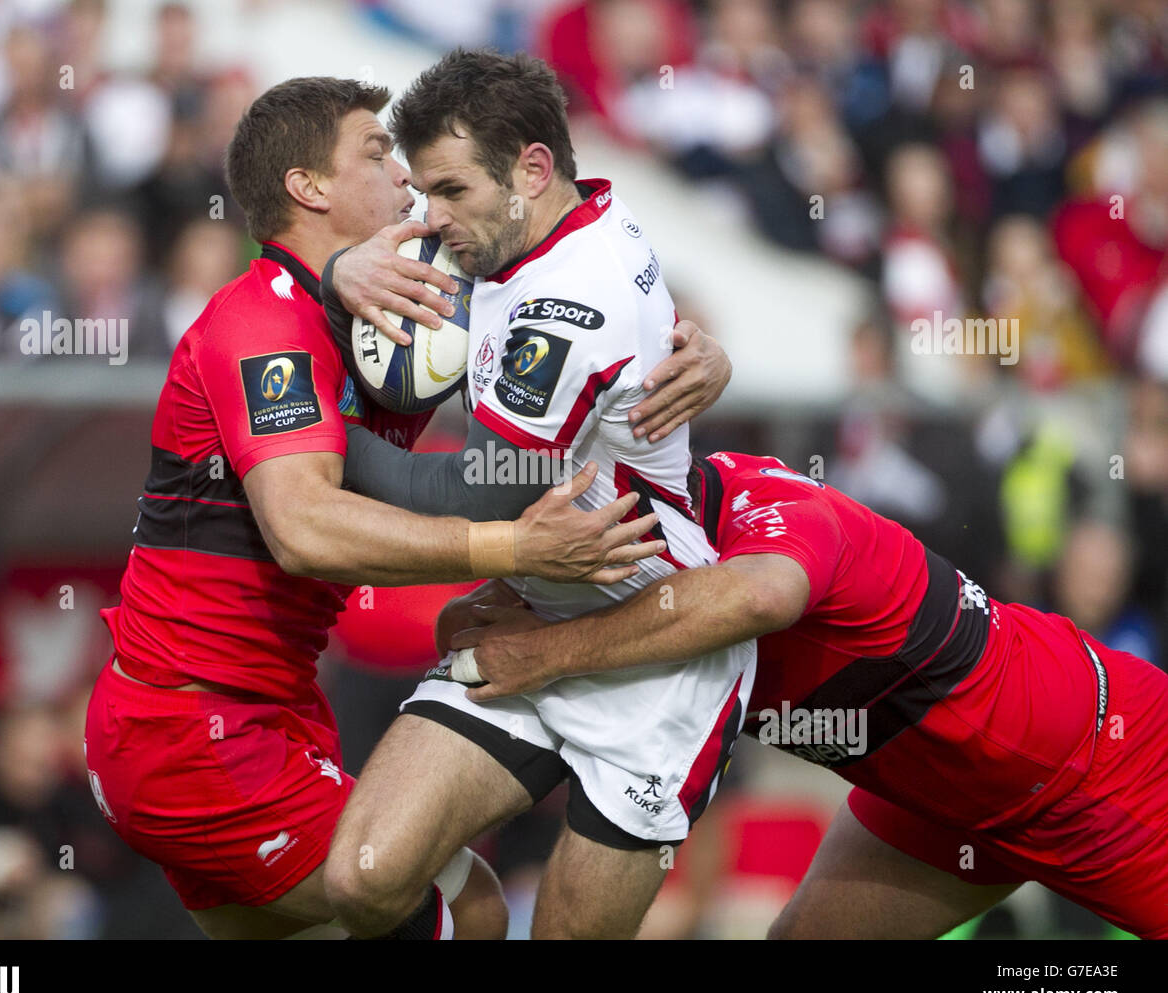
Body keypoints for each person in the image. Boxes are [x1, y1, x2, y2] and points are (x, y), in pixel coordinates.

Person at [83, 75, 727, 940]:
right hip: (195, 726)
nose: (409, 181)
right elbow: (304, 527)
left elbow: (584, 299)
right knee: (469, 907)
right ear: (309, 189)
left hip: (259, 714)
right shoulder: (264, 321)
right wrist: (513, 547)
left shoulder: (400, 300)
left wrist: (703, 355)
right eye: (379, 154)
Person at [319, 49, 754, 941]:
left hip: (651, 660)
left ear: (532, 168)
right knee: (362, 878)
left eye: (449, 191)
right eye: (423, 191)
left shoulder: (569, 305)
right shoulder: (557, 215)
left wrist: (306, 440)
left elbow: (480, 489)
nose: (430, 219)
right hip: (531, 621)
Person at [450, 450, 1168, 940]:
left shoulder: (765, 513)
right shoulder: (615, 566)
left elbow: (761, 593)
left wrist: (544, 654)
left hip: (1102, 761)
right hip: (937, 794)